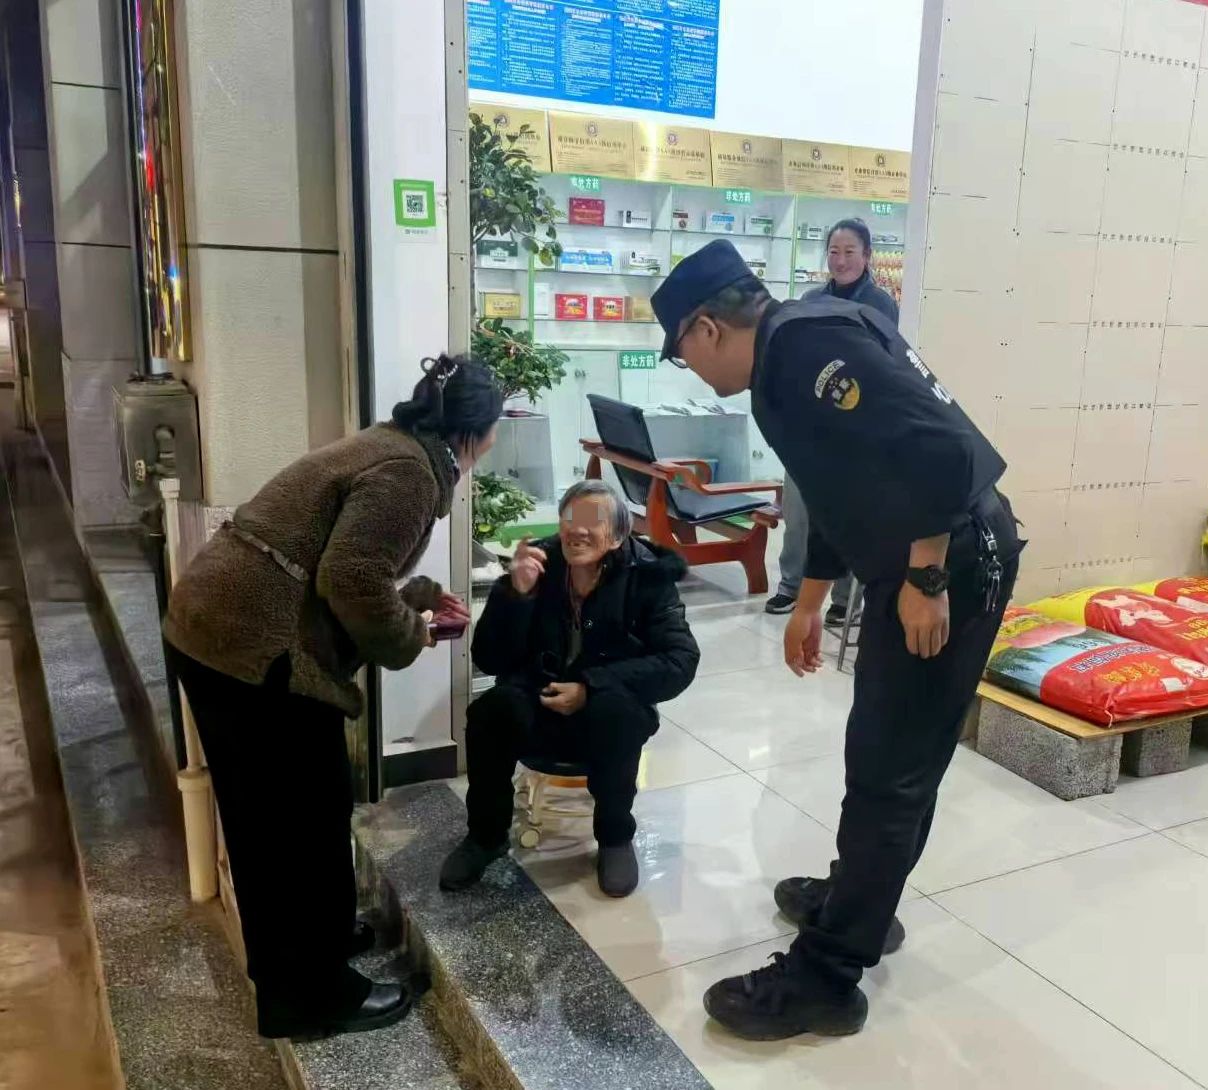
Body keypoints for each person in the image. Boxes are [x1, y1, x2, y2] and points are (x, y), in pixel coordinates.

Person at [650, 240, 1022, 1041]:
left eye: (681, 353)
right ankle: (859, 899)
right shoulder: (790, 350)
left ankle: (826, 975)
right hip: (916, 558)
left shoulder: (808, 350)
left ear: (706, 327)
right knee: (884, 757)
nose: (689, 370)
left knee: (891, 769)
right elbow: (832, 486)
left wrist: (926, 578)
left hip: (950, 560)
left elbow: (941, 449)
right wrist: (810, 600)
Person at [162, 355, 502, 1039]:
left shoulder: (390, 444)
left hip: (219, 629)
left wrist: (415, 601)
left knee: (286, 814)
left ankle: (312, 945)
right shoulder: (411, 472)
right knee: (296, 822)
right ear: (479, 431)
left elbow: (336, 565)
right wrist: (412, 634)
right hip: (253, 650)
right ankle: (310, 996)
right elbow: (349, 578)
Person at [440, 479, 699, 898]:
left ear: (617, 535)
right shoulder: (539, 566)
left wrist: (590, 686)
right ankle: (485, 836)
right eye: (570, 518)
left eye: (592, 520)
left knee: (614, 713)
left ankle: (614, 838)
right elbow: (489, 658)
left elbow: (680, 660)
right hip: (537, 701)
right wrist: (515, 596)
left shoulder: (648, 576)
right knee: (490, 711)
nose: (578, 530)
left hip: (608, 709)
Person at [769, 218, 900, 627]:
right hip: (809, 423)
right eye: (834, 252)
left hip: (855, 423)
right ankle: (791, 585)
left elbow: (881, 363)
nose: (840, 260)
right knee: (797, 511)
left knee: (846, 516)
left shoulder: (880, 304)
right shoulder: (811, 299)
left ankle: (845, 599)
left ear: (867, 256)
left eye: (849, 252)